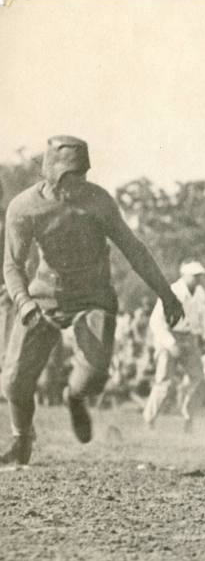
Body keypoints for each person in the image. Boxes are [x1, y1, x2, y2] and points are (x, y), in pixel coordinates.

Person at [0, 136, 183, 465]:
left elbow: (133, 248)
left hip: (93, 295)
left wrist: (165, 293)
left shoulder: (98, 202)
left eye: (82, 173)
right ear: (51, 174)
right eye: (70, 176)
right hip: (44, 295)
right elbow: (12, 265)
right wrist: (24, 303)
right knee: (13, 380)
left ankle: (74, 398)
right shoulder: (24, 207)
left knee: (95, 373)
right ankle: (21, 441)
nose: (78, 183)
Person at [142, 260, 205, 433]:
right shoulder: (172, 292)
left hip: (189, 337)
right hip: (170, 336)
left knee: (199, 380)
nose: (198, 279)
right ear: (184, 275)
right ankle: (149, 420)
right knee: (164, 383)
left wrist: (204, 336)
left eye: (199, 276)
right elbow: (156, 322)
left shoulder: (200, 292)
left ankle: (189, 417)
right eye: (194, 276)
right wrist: (170, 344)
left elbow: (203, 317)